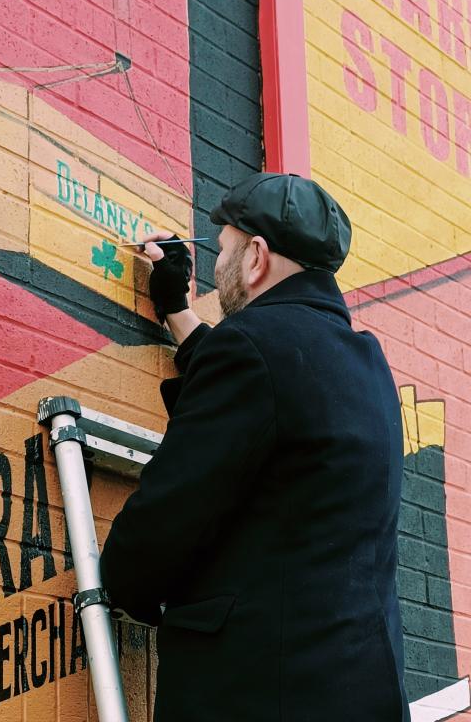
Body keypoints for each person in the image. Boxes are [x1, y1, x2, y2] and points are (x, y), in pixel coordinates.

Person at [99, 173, 410, 722]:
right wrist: (177, 306)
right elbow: (270, 392)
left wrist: (124, 584)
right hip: (360, 694)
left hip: (261, 693)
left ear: (256, 256)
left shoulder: (252, 351)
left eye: (222, 251)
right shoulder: (366, 364)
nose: (216, 271)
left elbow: (163, 523)